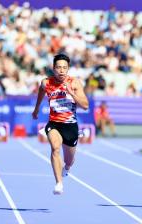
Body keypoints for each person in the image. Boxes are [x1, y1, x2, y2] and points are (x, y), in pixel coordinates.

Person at [32, 54, 89, 195]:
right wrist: (37, 108)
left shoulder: (74, 83)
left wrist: (72, 94)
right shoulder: (46, 83)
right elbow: (41, 91)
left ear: (68, 69)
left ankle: (67, 167)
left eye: (64, 68)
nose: (61, 71)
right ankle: (58, 183)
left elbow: (86, 106)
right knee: (55, 148)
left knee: (69, 160)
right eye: (59, 67)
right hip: (54, 124)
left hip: (70, 126)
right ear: (53, 68)